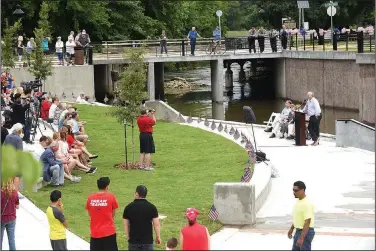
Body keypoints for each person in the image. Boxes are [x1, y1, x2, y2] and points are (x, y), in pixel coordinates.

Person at [123, 185, 161, 251]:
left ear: (136, 194)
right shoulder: (152, 207)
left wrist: (128, 236)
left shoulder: (128, 207)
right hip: (147, 241)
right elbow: (156, 224)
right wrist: (158, 236)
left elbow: (126, 224)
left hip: (133, 241)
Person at [86, 177, 119, 251]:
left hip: (95, 232)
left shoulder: (90, 198)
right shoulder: (111, 197)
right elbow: (113, 213)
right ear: (107, 186)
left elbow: (90, 213)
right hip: (109, 232)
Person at [288, 181, 315, 251]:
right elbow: (298, 219)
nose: (294, 192)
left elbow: (307, 221)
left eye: (296, 190)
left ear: (302, 190)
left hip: (305, 232)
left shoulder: (307, 203)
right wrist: (291, 229)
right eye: (293, 190)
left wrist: (302, 237)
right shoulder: (298, 201)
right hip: (298, 231)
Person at [1, 178, 19, 251]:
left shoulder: (1, 193)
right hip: (12, 218)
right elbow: (17, 206)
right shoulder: (15, 193)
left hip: (2, 219)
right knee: (12, 240)